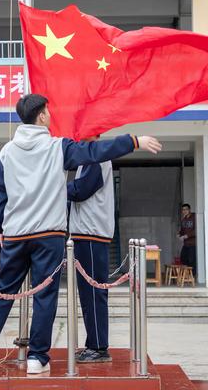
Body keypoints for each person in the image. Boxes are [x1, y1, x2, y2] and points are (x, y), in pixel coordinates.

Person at [0, 94, 162, 374]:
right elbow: (94, 152)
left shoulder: (7, 152)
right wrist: (134, 141)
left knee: (3, 291)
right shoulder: (57, 147)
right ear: (43, 116)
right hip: (49, 235)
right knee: (45, 295)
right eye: (48, 111)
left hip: (15, 234)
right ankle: (37, 358)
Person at [67, 135, 114, 364]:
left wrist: (51, 187)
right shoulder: (89, 158)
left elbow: (80, 190)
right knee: (89, 294)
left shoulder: (95, 157)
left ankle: (98, 347)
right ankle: (94, 343)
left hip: (91, 233)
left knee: (93, 293)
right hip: (87, 232)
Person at [178, 203, 196, 276]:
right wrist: (179, 234)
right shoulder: (183, 219)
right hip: (186, 244)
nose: (184, 211)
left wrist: (187, 236)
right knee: (183, 258)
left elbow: (197, 230)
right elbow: (182, 230)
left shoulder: (194, 217)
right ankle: (188, 274)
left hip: (193, 243)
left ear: (189, 210)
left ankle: (193, 276)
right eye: (183, 210)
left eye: (186, 209)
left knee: (192, 260)